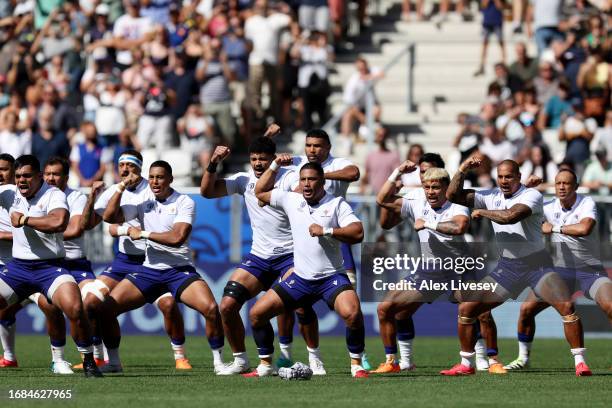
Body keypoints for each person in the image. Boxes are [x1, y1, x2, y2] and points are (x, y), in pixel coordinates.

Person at [444, 157, 592, 376]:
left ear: (519, 177)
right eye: (501, 176)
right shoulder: (491, 195)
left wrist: (482, 212)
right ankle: (466, 364)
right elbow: (452, 196)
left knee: (566, 307)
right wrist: (463, 169)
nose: (504, 181)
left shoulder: (532, 195)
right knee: (467, 308)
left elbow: (510, 217)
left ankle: (580, 363)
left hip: (537, 266)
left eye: (509, 177)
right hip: (508, 268)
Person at [99, 160, 225, 374]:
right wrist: (121, 186)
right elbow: (109, 217)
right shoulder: (143, 201)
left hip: (179, 271)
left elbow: (177, 237)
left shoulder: (184, 201)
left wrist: (144, 234)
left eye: (160, 177)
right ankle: (113, 362)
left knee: (212, 310)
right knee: (106, 308)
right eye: (152, 177)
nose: (155, 182)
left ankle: (219, 363)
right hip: (149, 270)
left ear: (170, 179)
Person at [250, 162, 368, 378]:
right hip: (301, 278)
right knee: (257, 314)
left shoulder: (336, 204)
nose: (306, 183)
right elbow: (260, 191)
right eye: (303, 179)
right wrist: (275, 165)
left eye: (312, 179)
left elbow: (358, 232)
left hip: (331, 277)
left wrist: (328, 231)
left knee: (353, 314)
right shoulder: (290, 199)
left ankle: (356, 365)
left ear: (322, 182)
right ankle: (265, 365)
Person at [86, 150, 190, 371]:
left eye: (130, 165)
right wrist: (117, 191)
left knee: (169, 305)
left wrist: (127, 230)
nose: (124, 169)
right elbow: (107, 222)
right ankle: (101, 358)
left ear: (139, 168)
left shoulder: (152, 189)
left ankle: (180, 356)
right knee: (91, 303)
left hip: (149, 261)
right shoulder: (115, 190)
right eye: (121, 164)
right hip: (124, 260)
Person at [0, 155, 102, 377]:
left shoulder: (53, 194)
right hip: (18, 268)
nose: (21, 181)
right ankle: (9, 356)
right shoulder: (9, 193)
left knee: (75, 308)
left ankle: (88, 360)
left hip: (50, 268)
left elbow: (58, 222)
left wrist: (25, 220)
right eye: (18, 176)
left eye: (27, 176)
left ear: (39, 177)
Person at [505, 169, 612, 370]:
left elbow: (584, 229)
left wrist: (553, 228)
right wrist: (526, 188)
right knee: (526, 310)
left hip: (590, 270)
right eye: (558, 184)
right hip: (560, 272)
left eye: (566, 183)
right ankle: (523, 359)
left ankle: (579, 362)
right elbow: (515, 209)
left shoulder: (586, 203)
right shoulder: (548, 206)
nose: (561, 187)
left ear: (576, 187)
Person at [474, 0, 506, 77]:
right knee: (485, 44)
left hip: (497, 21)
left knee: (501, 43)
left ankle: (504, 64)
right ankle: (482, 65)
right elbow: (483, 6)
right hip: (487, 22)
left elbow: (501, 7)